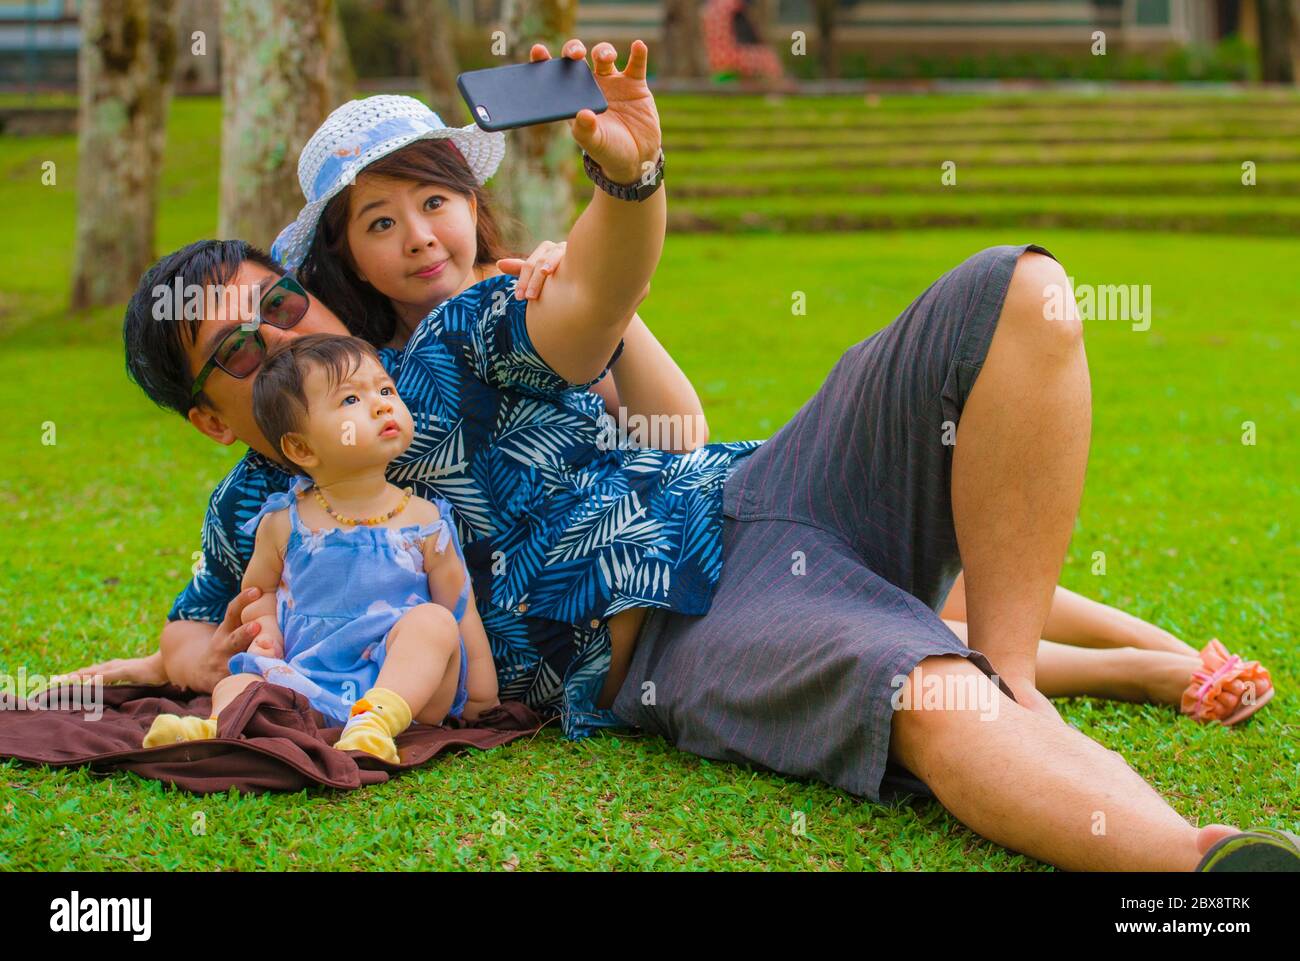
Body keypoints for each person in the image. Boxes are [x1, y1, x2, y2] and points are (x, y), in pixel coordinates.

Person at [67, 38, 1293, 869]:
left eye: (282, 303)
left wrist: (630, 173)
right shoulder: (252, 515)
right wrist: (188, 655)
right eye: (237, 349)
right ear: (211, 418)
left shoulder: (448, 348)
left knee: (1018, 292)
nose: (285, 334)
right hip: (679, 630)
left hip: (757, 487)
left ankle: (1026, 673)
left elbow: (602, 296)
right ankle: (1197, 863)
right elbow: (190, 636)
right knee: (924, 694)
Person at [141, 336, 499, 761]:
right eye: (350, 398)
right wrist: (267, 631)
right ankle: (213, 728)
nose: (383, 404)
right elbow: (258, 593)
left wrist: (481, 695)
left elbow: (461, 608)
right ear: (301, 447)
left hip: (405, 684)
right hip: (307, 678)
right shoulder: (282, 522)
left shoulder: (424, 521)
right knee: (237, 681)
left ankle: (376, 721)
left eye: (385, 390)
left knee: (435, 622)